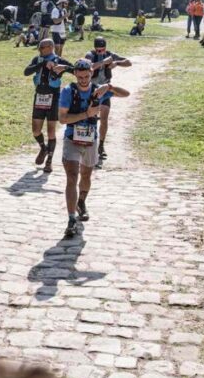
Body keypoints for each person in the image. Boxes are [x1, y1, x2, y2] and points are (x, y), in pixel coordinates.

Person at [57, 59, 130, 237]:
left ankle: (81, 201)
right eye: (80, 76)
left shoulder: (99, 90)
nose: (83, 79)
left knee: (86, 175)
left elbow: (126, 94)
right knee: (72, 177)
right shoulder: (68, 91)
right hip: (71, 138)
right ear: (75, 74)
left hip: (90, 140)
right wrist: (86, 114)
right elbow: (62, 119)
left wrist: (110, 87)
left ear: (91, 73)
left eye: (87, 76)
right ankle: (71, 218)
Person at [24, 39, 72, 173]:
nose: (40, 50)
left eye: (42, 48)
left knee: (51, 131)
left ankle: (49, 161)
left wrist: (64, 68)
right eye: (39, 48)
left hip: (54, 97)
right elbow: (26, 72)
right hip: (39, 96)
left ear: (50, 47)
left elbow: (75, 70)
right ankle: (43, 148)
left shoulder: (59, 59)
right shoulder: (38, 59)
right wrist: (43, 64)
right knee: (36, 131)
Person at [85, 37, 131, 168]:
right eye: (98, 50)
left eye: (102, 50)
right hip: (92, 90)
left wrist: (117, 63)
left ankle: (101, 145)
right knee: (90, 118)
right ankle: (88, 145)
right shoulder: (90, 55)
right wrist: (103, 62)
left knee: (104, 119)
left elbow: (128, 62)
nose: (100, 52)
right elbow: (90, 67)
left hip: (105, 89)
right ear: (95, 48)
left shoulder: (110, 54)